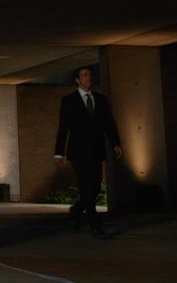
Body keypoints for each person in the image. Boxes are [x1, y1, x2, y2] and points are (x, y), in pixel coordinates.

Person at [54, 67, 122, 236]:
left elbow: (109, 124)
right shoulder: (68, 101)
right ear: (77, 80)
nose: (88, 78)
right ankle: (95, 226)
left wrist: (116, 143)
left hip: (96, 151)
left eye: (89, 75)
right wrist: (58, 152)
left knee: (96, 187)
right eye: (84, 75)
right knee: (85, 186)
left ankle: (77, 210)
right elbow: (63, 128)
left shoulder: (100, 99)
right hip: (78, 152)